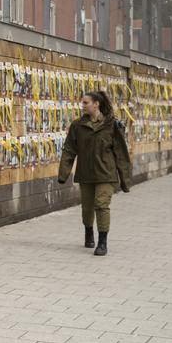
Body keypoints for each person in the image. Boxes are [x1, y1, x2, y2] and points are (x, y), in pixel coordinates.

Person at [58, 91, 131, 256]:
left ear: (96, 104)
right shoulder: (77, 126)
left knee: (102, 205)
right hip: (86, 173)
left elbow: (121, 154)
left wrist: (125, 180)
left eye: (85, 103)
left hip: (106, 173)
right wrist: (63, 174)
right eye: (82, 103)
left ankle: (102, 242)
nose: (82, 105)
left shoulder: (112, 125)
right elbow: (69, 150)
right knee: (87, 208)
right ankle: (88, 232)